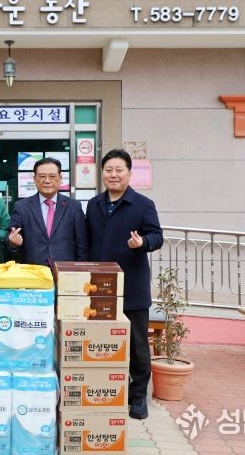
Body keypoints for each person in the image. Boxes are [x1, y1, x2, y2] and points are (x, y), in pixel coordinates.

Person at [85, 148, 163, 420]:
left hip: (131, 286)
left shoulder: (143, 204)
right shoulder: (94, 204)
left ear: (129, 173)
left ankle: (138, 395)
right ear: (102, 174)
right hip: (99, 286)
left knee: (137, 344)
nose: (113, 175)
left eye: (119, 170)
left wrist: (142, 243)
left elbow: (157, 236)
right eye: (108, 170)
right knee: (102, 342)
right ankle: (106, 390)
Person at [6, 157, 88, 266]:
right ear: (35, 179)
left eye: (52, 176)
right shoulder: (21, 207)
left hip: (65, 270)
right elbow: (11, 239)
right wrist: (13, 243)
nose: (47, 181)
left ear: (60, 178)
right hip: (33, 271)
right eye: (42, 176)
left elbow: (82, 245)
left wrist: (79, 270)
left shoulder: (74, 206)